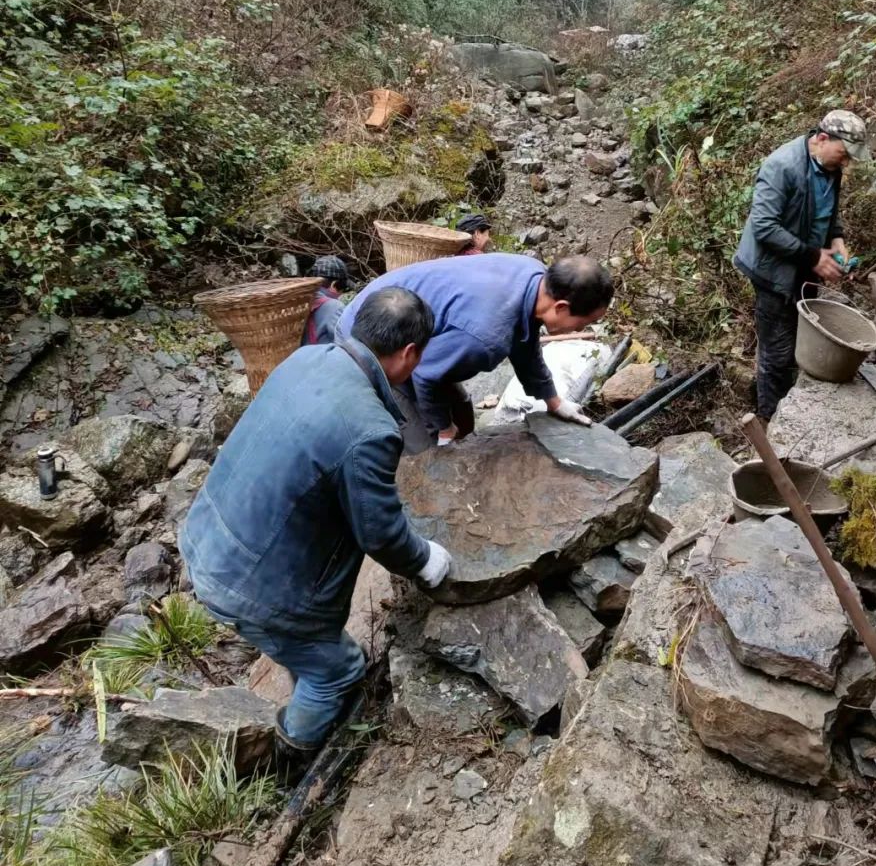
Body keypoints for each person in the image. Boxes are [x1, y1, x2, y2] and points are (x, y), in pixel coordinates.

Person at [179, 287, 452, 767]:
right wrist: (425, 559)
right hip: (250, 585)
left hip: (207, 536)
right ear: (409, 353)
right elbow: (382, 534)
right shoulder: (369, 429)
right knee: (338, 671)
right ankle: (289, 760)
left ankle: (294, 665)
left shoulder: (306, 359)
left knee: (304, 652)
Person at [337, 253, 614, 450]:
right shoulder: (486, 336)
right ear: (561, 307)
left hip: (418, 333)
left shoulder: (535, 277)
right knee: (424, 445)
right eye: (585, 323)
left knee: (462, 412)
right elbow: (425, 376)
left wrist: (553, 401)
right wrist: (443, 430)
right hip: (374, 336)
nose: (583, 329)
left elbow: (525, 346)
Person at [734, 109, 870, 422]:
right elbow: (764, 227)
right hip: (771, 271)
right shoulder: (782, 167)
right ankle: (770, 422)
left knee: (800, 337)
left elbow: (828, 211)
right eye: (843, 153)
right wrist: (814, 257)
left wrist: (836, 240)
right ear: (822, 139)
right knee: (777, 352)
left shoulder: (829, 165)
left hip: (802, 263)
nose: (846, 162)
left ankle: (790, 400)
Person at [302, 255, 350, 345]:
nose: (341, 293)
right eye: (343, 287)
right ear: (334, 284)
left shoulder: (303, 300)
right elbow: (349, 341)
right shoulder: (334, 307)